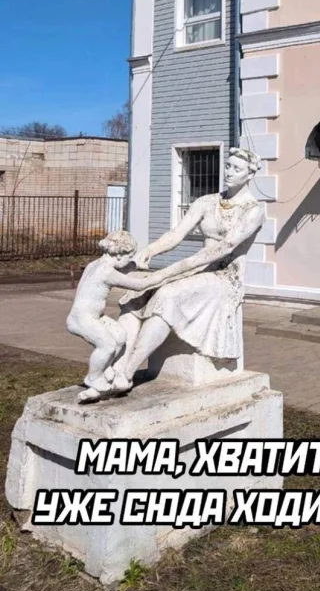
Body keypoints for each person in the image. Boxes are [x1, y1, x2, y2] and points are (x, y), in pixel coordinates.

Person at [104, 147, 266, 396]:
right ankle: (115, 365)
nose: (229, 172)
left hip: (225, 277)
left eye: (237, 168)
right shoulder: (207, 202)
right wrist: (150, 250)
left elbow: (224, 248)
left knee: (167, 294)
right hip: (197, 269)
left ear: (250, 174)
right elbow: (177, 233)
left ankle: (127, 371)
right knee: (137, 295)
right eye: (228, 166)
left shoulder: (253, 210)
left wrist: (168, 272)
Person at [66, 230, 174, 403]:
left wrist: (134, 264)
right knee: (107, 346)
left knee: (120, 335)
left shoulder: (95, 264)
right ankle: (93, 377)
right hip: (81, 319)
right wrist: (164, 275)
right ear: (119, 255)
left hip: (93, 316)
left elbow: (122, 269)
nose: (129, 260)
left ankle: (104, 370)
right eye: (129, 257)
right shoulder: (106, 272)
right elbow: (139, 285)